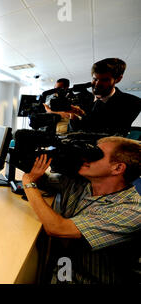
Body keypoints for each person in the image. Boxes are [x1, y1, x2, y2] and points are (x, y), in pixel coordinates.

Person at [22, 136, 140, 283]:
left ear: (118, 168)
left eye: (96, 154)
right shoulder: (83, 184)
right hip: (61, 272)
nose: (86, 157)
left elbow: (57, 228)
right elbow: (43, 180)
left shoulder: (132, 211)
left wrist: (28, 183)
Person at [68, 58, 141, 136]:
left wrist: (82, 114)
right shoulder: (81, 99)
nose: (97, 84)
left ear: (118, 79)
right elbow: (73, 132)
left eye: (104, 80)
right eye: (95, 79)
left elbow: (112, 131)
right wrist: (73, 116)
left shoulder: (133, 102)